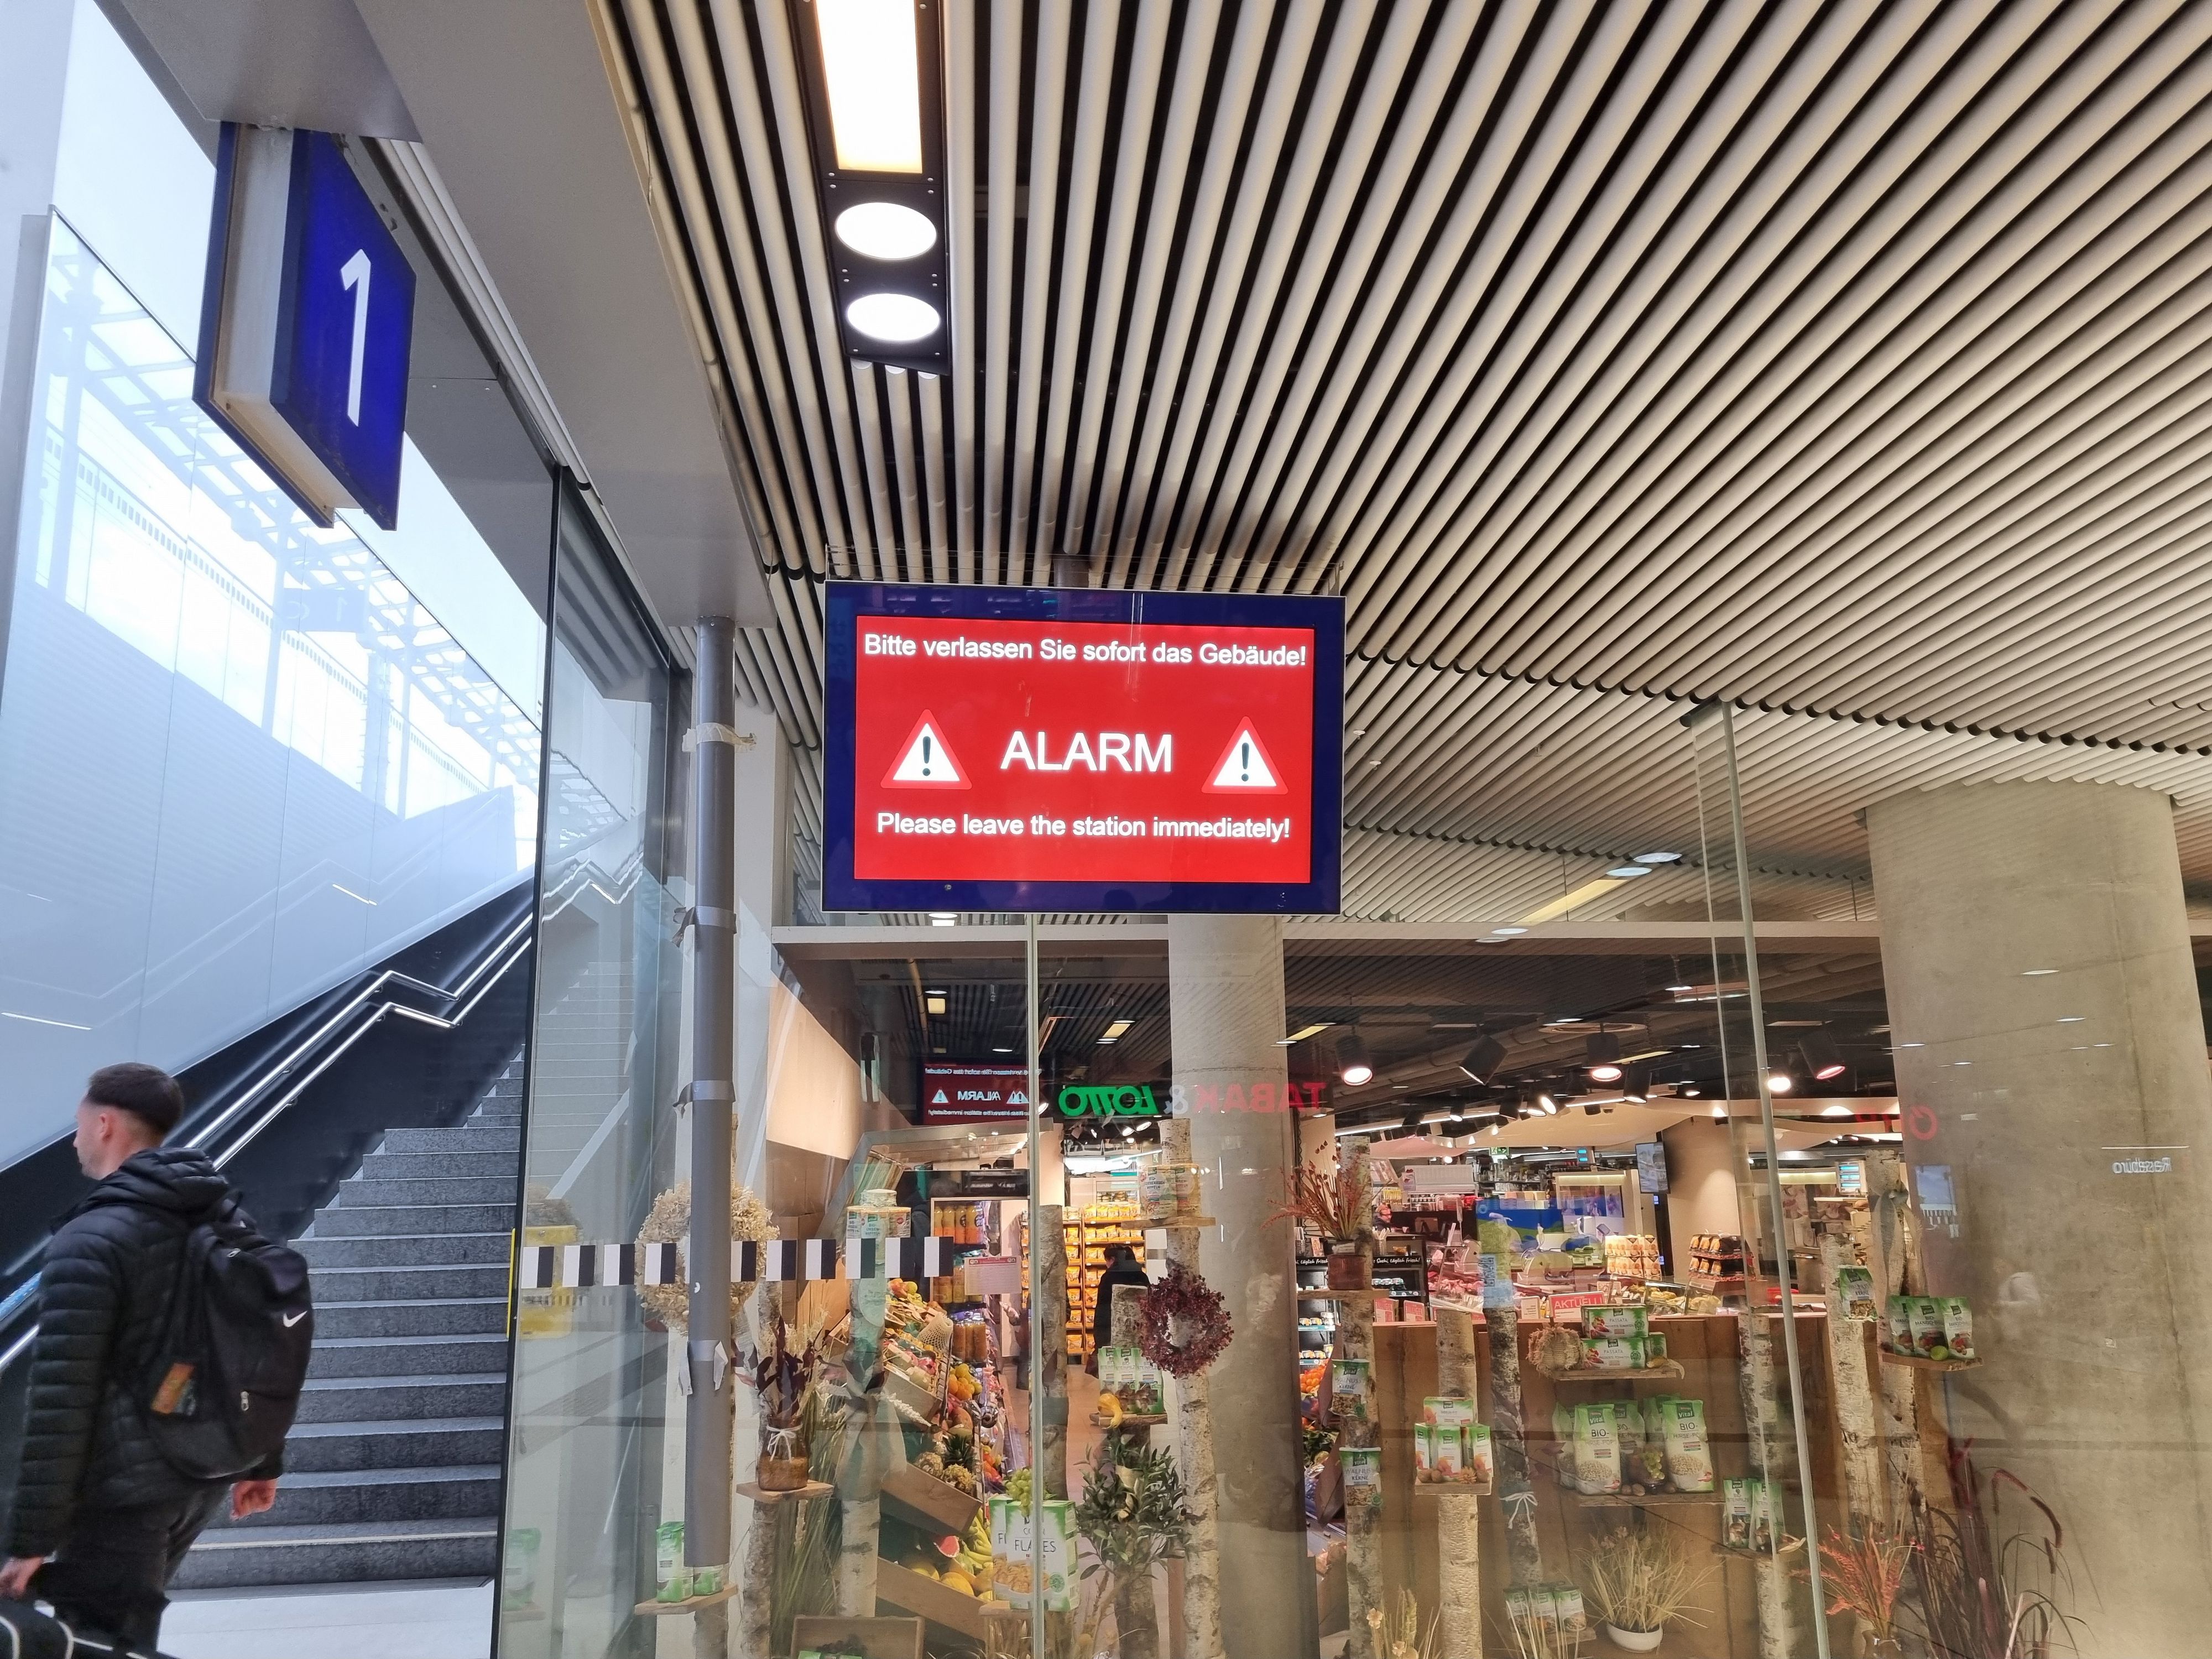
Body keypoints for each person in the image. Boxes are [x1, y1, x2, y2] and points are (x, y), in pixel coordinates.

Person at [0, 1063, 281, 1651]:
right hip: (198, 1475)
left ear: (104, 1124)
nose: (75, 1140)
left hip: (124, 1491)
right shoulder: (225, 1219)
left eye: (78, 1125)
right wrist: (262, 1459)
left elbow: (62, 1398)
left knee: (102, 1642)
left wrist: (29, 1540)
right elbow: (260, 1342)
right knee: (125, 1639)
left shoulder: (91, 1239)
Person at [1091, 1243, 1150, 1364]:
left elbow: (1103, 1309)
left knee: (1115, 1369)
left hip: (1113, 1334)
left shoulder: (1108, 1278)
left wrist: (1099, 1340)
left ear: (1113, 1260)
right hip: (1139, 1332)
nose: (1107, 1265)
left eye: (1107, 1261)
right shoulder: (1142, 1277)